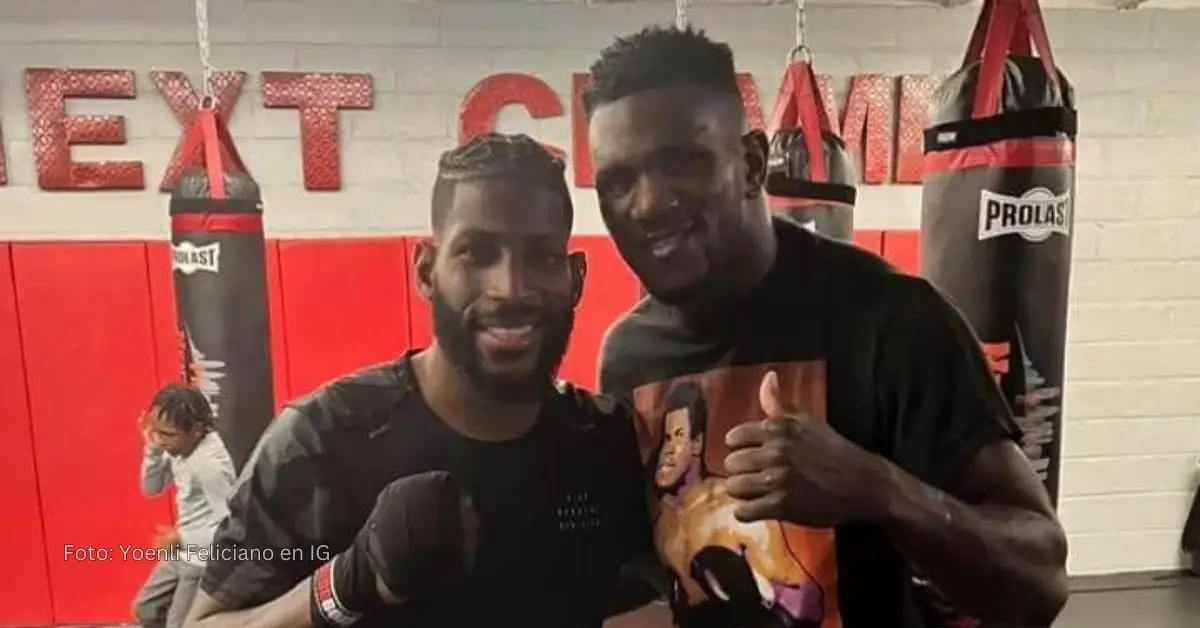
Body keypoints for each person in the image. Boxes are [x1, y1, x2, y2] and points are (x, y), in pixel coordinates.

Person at [584, 26, 1070, 628]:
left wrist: (877, 489)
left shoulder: (893, 322)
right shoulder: (629, 357)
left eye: (680, 163)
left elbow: (1042, 580)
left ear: (753, 166)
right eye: (618, 183)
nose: (648, 203)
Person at [182, 133, 656, 628]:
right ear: (427, 271)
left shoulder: (604, 442)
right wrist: (342, 584)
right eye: (477, 253)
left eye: (542, 257)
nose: (511, 288)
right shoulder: (322, 441)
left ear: (575, 279)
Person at [134, 383, 237, 628]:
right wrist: (153, 451)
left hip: (202, 560)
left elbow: (231, 527)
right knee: (146, 609)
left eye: (167, 434)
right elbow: (152, 489)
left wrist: (183, 539)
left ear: (196, 430)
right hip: (183, 552)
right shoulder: (179, 446)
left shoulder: (209, 465)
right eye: (155, 430)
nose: (160, 439)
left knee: (179, 624)